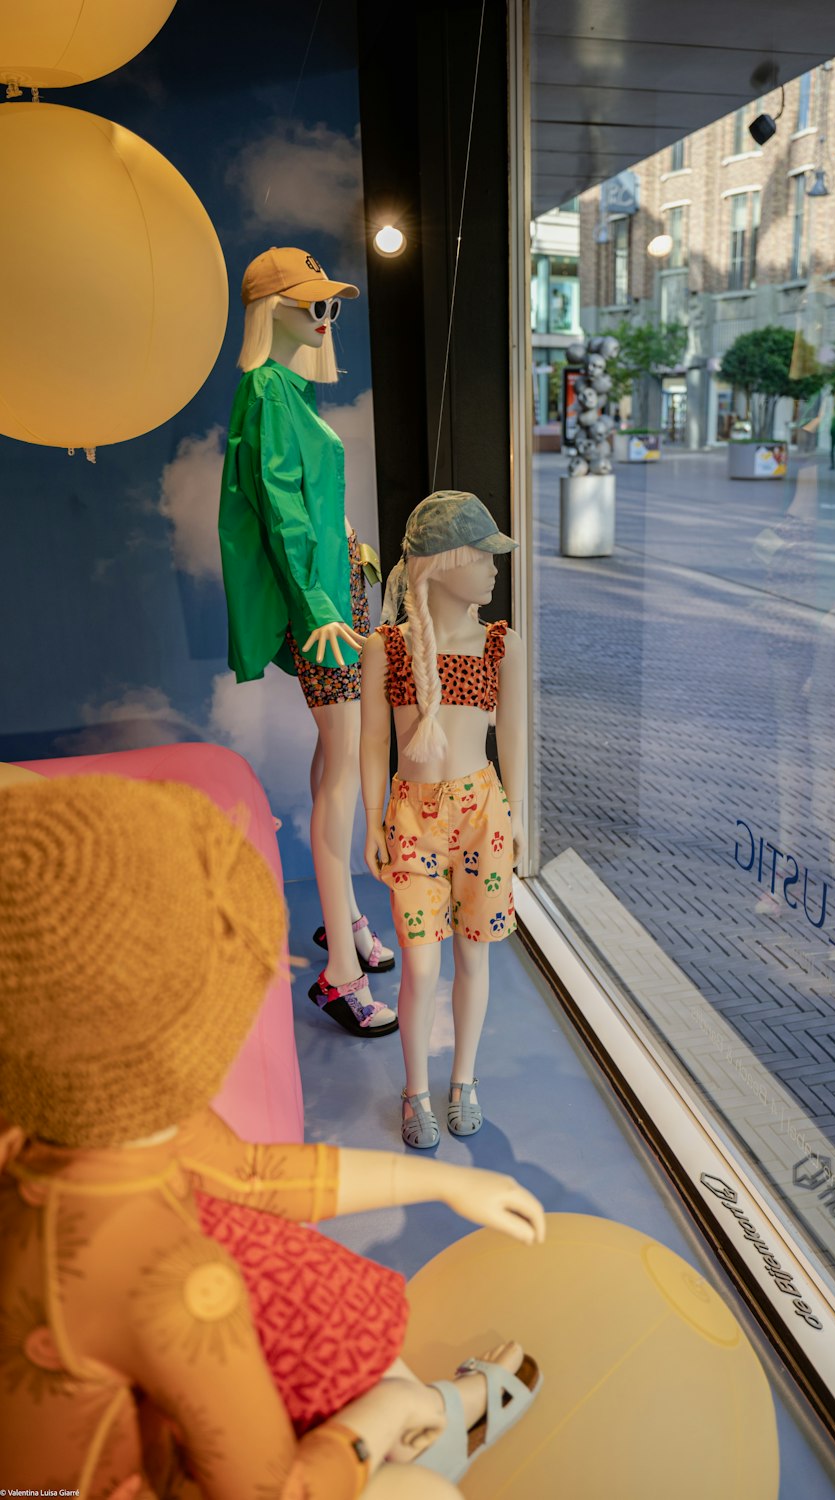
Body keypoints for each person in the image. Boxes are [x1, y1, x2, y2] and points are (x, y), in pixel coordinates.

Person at [0, 774, 544, 1498]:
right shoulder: (179, 1287)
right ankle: (435, 1421)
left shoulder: (62, 1123)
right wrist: (384, 1414)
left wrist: (447, 1181)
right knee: (426, 1495)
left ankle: (435, 1417)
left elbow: (250, 1172)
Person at [218, 246, 396, 1040]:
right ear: (272, 312)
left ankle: (345, 920)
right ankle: (339, 975)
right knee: (342, 778)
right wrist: (323, 603)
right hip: (323, 612)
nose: (325, 319)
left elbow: (316, 505)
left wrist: (354, 549)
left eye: (330, 308)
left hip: (338, 594)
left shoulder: (288, 390)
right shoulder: (265, 391)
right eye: (312, 306)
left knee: (338, 762)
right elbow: (282, 514)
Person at [360, 493, 525, 1149]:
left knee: (474, 957)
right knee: (421, 967)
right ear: (446, 562)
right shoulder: (389, 646)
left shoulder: (498, 643)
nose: (492, 571)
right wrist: (373, 821)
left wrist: (513, 814)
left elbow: (511, 738)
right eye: (482, 557)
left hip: (482, 814)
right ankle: (415, 1090)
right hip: (412, 818)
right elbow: (375, 742)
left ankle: (463, 1080)